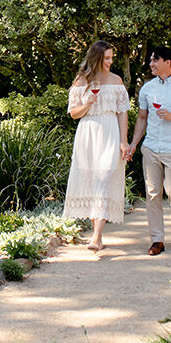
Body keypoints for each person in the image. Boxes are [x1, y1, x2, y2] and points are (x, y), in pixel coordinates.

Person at [128, 46, 171, 256]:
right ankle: (157, 240)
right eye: (150, 60)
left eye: (155, 60)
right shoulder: (147, 89)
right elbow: (142, 118)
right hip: (151, 147)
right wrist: (134, 144)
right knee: (152, 194)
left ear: (167, 62)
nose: (151, 64)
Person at [63, 40, 131, 250]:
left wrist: (123, 140)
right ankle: (96, 236)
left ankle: (97, 236)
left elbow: (122, 113)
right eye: (107, 58)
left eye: (112, 58)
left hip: (110, 132)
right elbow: (74, 114)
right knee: (93, 181)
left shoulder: (116, 81)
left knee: (104, 178)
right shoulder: (82, 81)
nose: (110, 62)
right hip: (88, 133)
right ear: (97, 59)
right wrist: (87, 104)